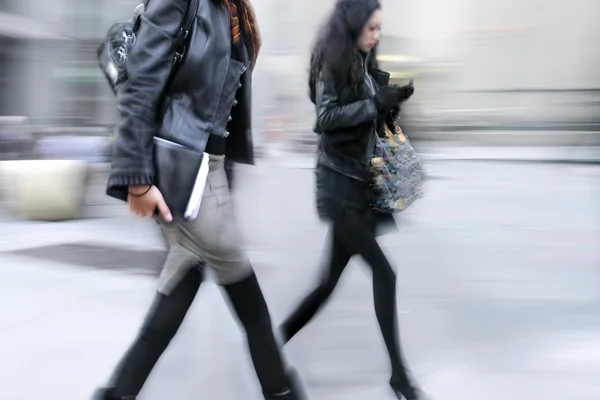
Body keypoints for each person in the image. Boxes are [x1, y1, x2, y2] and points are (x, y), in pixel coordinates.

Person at [92, 0, 304, 399]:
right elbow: (140, 86)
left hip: (208, 175)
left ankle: (118, 393)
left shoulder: (232, 10)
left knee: (171, 307)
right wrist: (135, 181)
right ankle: (281, 392)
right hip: (189, 179)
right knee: (253, 311)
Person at [277, 0, 424, 399]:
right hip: (339, 187)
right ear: (354, 24)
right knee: (385, 273)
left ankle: (272, 345)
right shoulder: (333, 60)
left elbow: (365, 113)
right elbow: (325, 120)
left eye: (379, 28)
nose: (377, 35)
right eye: (372, 28)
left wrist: (389, 99)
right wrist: (373, 104)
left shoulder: (360, 57)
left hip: (357, 185)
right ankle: (399, 377)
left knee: (326, 284)